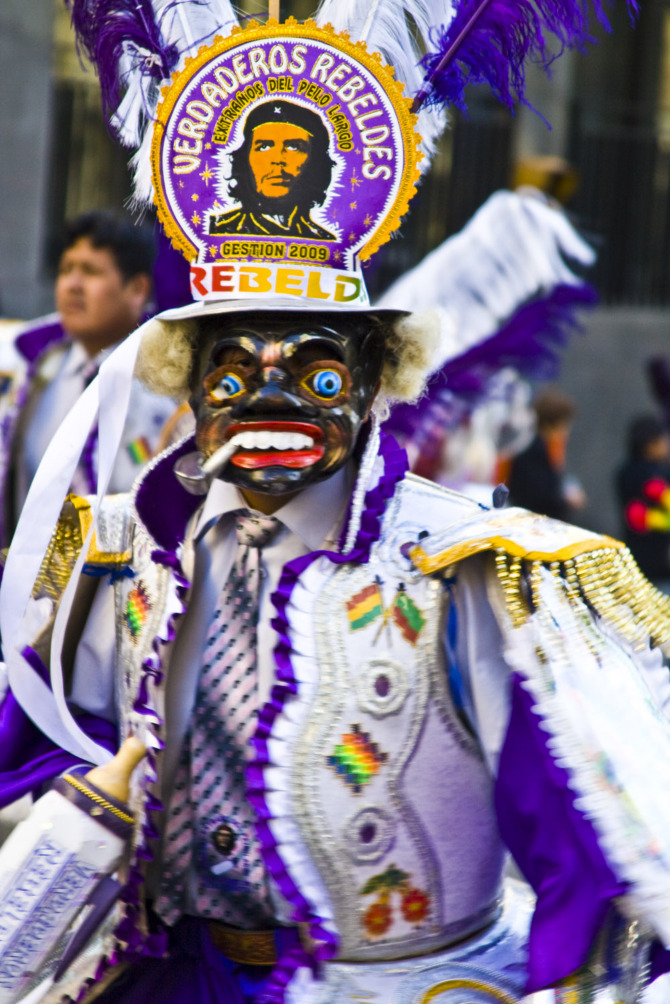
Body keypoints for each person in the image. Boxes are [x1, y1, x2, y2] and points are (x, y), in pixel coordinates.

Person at [1, 11, 670, 1004]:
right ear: (190, 385)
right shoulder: (117, 548)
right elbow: (31, 747)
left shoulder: (477, 572)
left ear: (370, 380)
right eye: (233, 366)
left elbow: (600, 863)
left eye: (313, 368)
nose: (269, 395)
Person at [0, 211, 180, 545]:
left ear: (137, 289)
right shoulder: (41, 369)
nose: (73, 285)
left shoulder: (163, 381)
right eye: (66, 269)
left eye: (91, 271)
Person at [208, 101, 337, 240]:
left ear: (315, 162)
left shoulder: (324, 240)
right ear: (245, 159)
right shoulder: (219, 230)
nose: (278, 159)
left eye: (294, 147)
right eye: (264, 147)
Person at [507, 385, 586, 521]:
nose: (566, 432)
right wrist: (566, 500)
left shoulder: (537, 447)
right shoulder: (533, 451)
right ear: (553, 423)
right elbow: (538, 498)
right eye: (565, 425)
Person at [616, 414, 670, 589]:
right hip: (658, 558)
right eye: (662, 440)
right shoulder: (655, 475)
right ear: (650, 444)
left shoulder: (624, 473)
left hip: (637, 557)